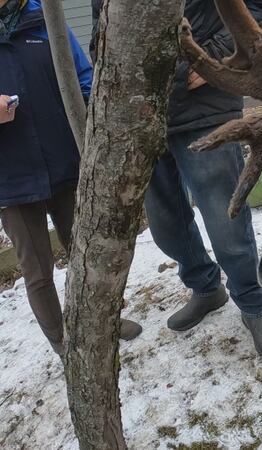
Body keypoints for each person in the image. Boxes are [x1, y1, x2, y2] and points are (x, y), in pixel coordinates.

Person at [90, 0, 262, 359]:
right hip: (141, 113)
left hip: (204, 108)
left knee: (225, 222)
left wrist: (212, 57)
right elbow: (101, 33)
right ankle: (205, 287)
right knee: (166, 224)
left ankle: (252, 305)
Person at [0, 0, 142, 356]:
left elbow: (82, 77)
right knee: (37, 271)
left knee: (86, 253)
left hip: (65, 162)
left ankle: (105, 321)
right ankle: (64, 344)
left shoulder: (44, 19)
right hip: (11, 179)